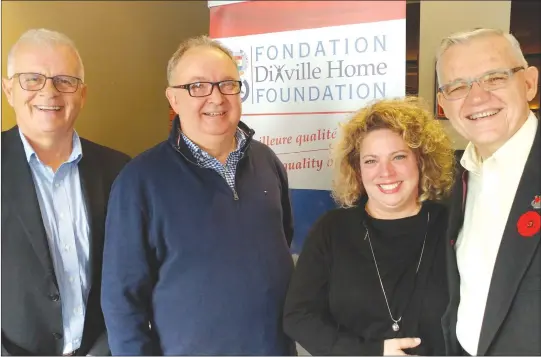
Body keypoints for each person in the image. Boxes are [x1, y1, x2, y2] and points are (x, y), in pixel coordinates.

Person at [101, 35, 295, 355]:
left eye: (227, 84)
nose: (216, 98)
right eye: (198, 86)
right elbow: (122, 301)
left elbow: (282, 240)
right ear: (173, 100)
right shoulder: (139, 181)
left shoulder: (267, 162)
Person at [283, 97, 455, 356]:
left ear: (420, 161)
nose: (385, 172)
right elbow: (298, 317)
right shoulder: (332, 230)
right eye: (371, 161)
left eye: (398, 157)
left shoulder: (451, 226)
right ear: (357, 170)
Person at [1, 29, 130, 356]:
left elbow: (133, 277)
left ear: (82, 94)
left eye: (64, 80)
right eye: (32, 79)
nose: (49, 92)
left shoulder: (120, 171)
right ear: (8, 90)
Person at [436, 28, 540, 356]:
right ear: (443, 104)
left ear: (528, 83)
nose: (477, 97)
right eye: (458, 86)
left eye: (494, 77)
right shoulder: (453, 177)